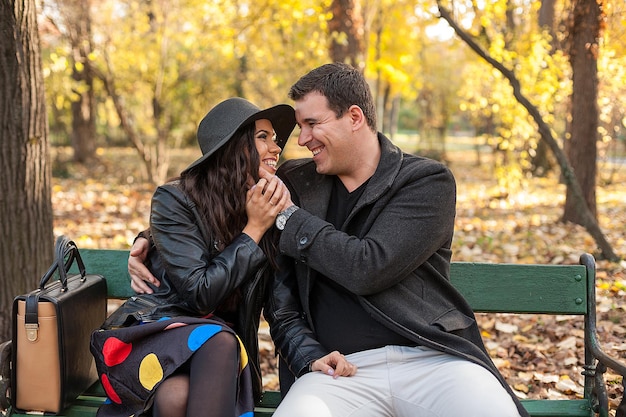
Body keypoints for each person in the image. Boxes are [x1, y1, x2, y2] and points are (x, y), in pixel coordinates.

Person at [129, 63, 528, 417]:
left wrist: (286, 215)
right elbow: (223, 207)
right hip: (338, 371)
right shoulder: (295, 182)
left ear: (354, 117)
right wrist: (153, 241)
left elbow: (369, 266)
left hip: (433, 360)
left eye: (311, 124)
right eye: (298, 128)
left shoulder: (425, 181)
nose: (299, 140)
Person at [90, 97, 296, 417]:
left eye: (275, 138)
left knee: (176, 396)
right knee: (218, 341)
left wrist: (311, 359)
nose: (277, 147)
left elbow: (282, 309)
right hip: (160, 335)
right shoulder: (176, 198)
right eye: (263, 137)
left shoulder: (269, 206)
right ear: (234, 146)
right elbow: (201, 295)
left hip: (220, 359)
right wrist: (253, 231)